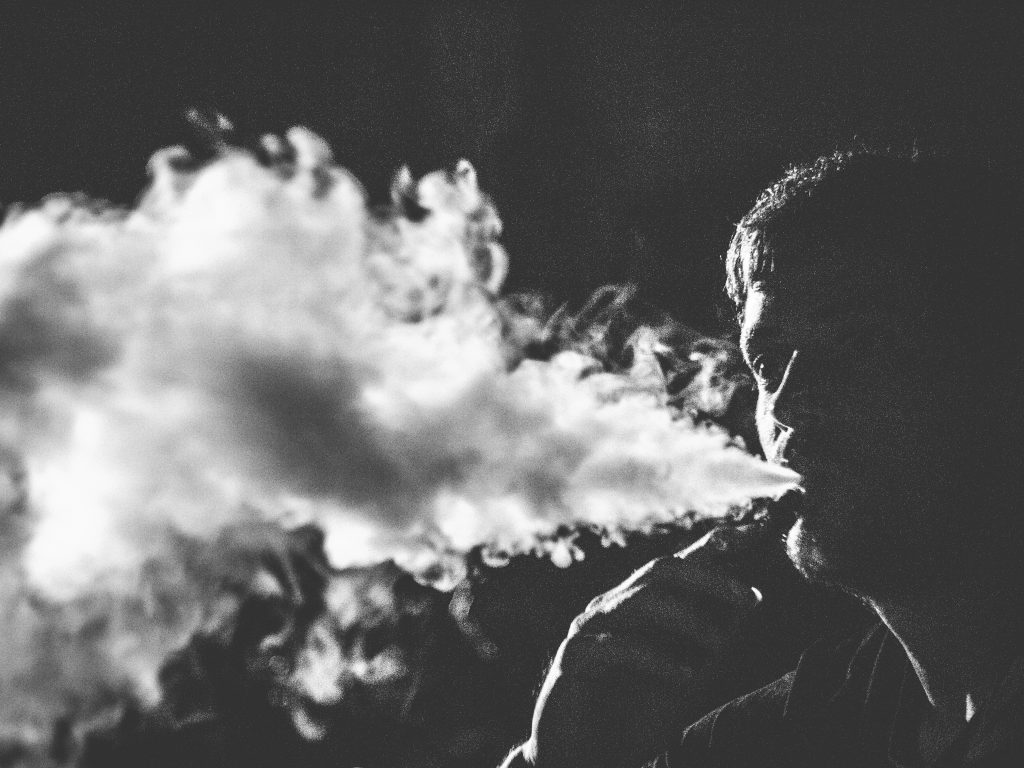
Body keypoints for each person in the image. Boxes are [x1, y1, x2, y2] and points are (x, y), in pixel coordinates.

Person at [500, 150, 1024, 767]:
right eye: (769, 363)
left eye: (859, 342)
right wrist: (554, 758)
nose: (791, 402)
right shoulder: (811, 722)